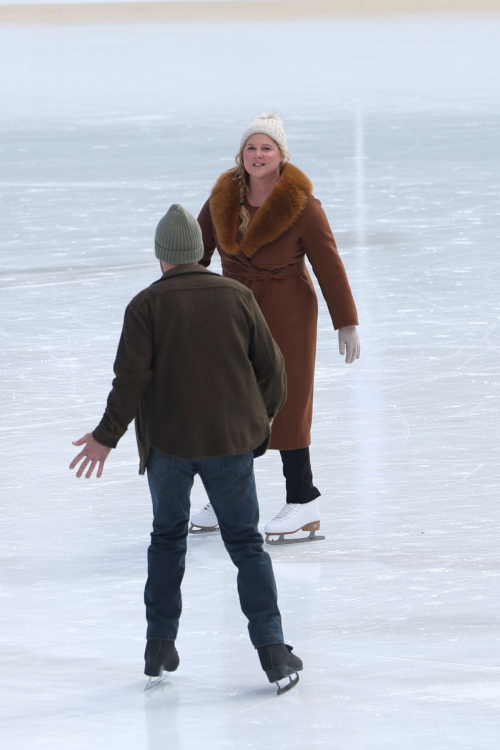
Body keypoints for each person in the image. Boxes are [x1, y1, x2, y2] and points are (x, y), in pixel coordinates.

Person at [69, 204, 303, 694]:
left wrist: (105, 437)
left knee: (167, 540)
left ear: (161, 256)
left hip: (169, 448)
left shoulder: (145, 306)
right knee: (245, 545)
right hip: (229, 443)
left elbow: (129, 381)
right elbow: (275, 370)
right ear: (199, 253)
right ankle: (273, 651)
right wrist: (256, 421)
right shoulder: (236, 295)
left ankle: (159, 646)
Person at [190, 114, 360, 544]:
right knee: (230, 403)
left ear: (281, 155)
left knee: (286, 400)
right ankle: (227, 493)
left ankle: (303, 500)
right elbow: (196, 251)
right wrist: (179, 297)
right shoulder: (222, 199)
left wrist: (347, 323)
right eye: (251, 148)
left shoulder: (302, 206)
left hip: (286, 310)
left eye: (267, 148)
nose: (258, 155)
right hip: (233, 312)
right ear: (241, 155)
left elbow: (329, 265)